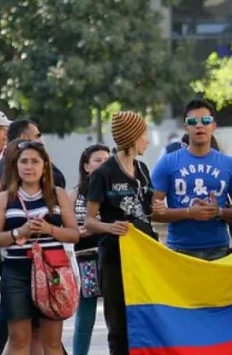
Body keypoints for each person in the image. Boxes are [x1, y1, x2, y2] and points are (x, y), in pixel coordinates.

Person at [0, 141, 79, 355]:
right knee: (18, 339)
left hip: (53, 272)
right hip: (16, 272)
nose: (29, 167)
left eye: (35, 161)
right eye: (24, 162)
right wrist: (19, 232)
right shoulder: (4, 197)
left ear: (44, 166)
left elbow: (74, 234)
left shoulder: (58, 194)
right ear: (16, 166)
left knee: (52, 341)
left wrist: (49, 229)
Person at [85, 112, 158, 355]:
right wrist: (109, 227)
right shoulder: (103, 174)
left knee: (146, 316)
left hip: (145, 255)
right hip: (115, 257)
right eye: (144, 134)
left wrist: (159, 209)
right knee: (118, 322)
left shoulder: (143, 169)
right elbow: (89, 221)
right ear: (132, 137)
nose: (147, 140)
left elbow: (149, 210)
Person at [152, 99, 232, 261]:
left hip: (219, 250)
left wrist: (219, 212)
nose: (199, 125)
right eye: (193, 121)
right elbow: (151, 212)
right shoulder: (167, 162)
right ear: (186, 127)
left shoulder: (229, 164)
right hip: (179, 250)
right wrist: (188, 212)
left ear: (214, 126)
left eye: (206, 120)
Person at [69, 144, 110, 355]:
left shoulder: (114, 191)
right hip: (85, 258)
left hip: (111, 257)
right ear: (86, 166)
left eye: (107, 160)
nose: (103, 164)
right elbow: (63, 227)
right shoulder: (75, 194)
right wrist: (76, 231)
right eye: (98, 160)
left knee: (116, 315)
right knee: (86, 316)